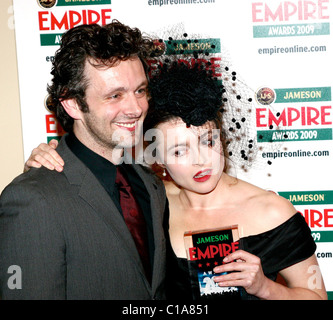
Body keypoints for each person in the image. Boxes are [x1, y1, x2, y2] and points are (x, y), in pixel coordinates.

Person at [27, 60, 327, 300]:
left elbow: (315, 296)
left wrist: (265, 288)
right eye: (180, 150)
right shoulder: (150, 201)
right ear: (156, 156)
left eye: (208, 141)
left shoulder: (272, 210)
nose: (201, 159)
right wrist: (48, 164)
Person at [0, 21, 168, 299]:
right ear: (73, 104)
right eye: (115, 95)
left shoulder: (151, 184)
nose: (136, 108)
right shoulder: (32, 199)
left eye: (140, 90)